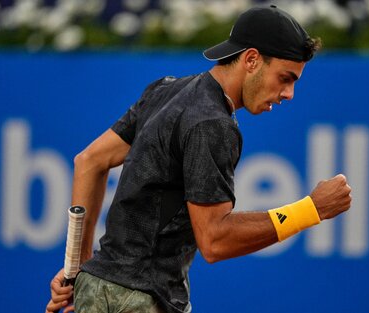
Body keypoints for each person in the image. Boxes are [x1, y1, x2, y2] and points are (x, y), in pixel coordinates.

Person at [46, 5, 352, 313]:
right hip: (142, 300)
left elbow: (89, 161)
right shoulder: (214, 123)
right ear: (251, 59)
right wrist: (310, 210)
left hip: (98, 288)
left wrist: (77, 269)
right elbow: (215, 240)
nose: (289, 94)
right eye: (285, 78)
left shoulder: (164, 90)